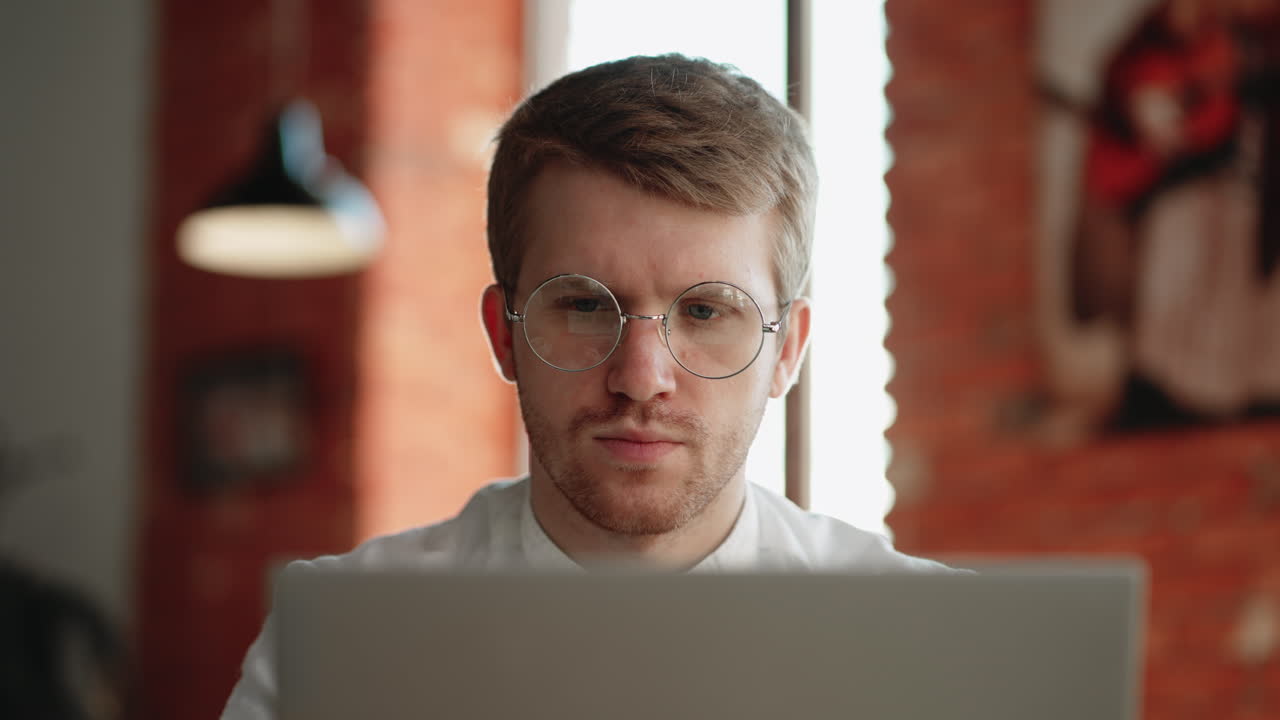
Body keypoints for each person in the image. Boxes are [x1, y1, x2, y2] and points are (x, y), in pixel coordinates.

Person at [221, 53, 950, 720]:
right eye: (583, 305)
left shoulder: (929, 641)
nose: (640, 378)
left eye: (704, 311)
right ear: (504, 334)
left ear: (786, 350)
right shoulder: (348, 633)